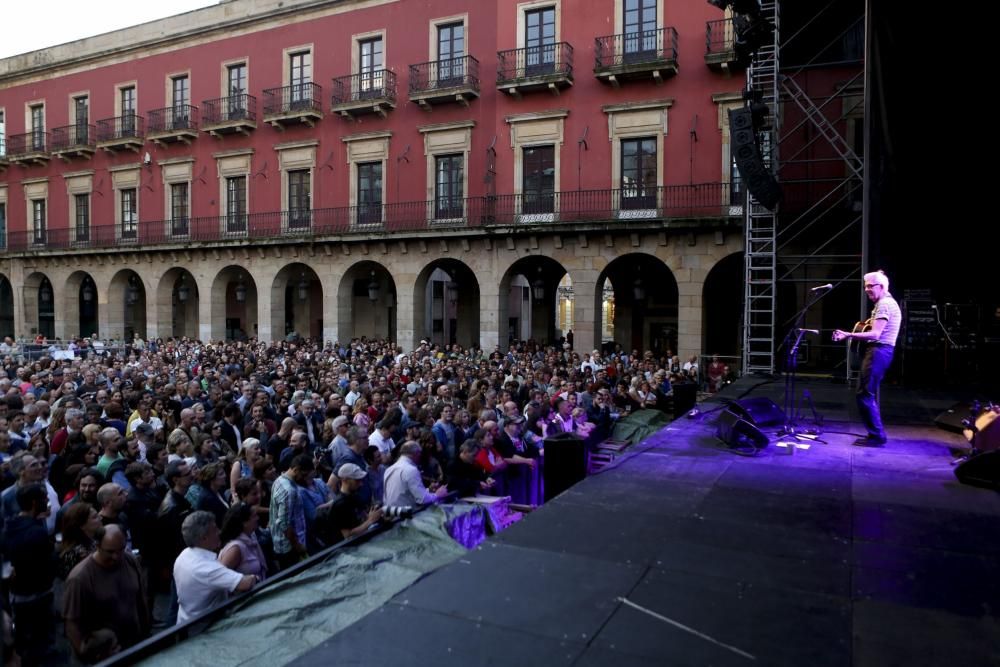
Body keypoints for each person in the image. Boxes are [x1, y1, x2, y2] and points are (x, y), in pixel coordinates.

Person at [63, 524, 150, 663]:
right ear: (97, 546)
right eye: (110, 551)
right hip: (105, 655)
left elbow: (141, 598)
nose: (116, 556)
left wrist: (146, 633)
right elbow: (72, 624)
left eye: (120, 550)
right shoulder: (79, 578)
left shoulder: (130, 561)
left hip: (134, 646)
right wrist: (87, 655)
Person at [833, 270, 901, 446]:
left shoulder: (885, 304)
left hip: (879, 351)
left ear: (882, 286)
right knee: (866, 393)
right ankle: (875, 434)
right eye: (865, 286)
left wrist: (848, 334)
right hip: (880, 351)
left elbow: (876, 334)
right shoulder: (884, 303)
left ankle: (877, 435)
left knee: (864, 394)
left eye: (871, 286)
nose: (867, 289)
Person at [173, 511, 257, 624]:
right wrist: (254, 577)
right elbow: (244, 583)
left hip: (186, 622)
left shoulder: (183, 555)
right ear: (203, 538)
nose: (219, 532)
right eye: (215, 529)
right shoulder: (207, 569)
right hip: (204, 630)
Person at [315, 463, 382, 547]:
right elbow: (347, 535)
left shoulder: (356, 496)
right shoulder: (340, 505)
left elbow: (362, 519)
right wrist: (370, 521)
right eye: (357, 480)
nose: (361, 484)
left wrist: (376, 515)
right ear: (345, 480)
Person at [383, 441, 449, 507]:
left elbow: (404, 493)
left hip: (391, 512)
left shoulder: (388, 470)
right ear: (415, 453)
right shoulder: (411, 470)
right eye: (419, 453)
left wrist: (428, 490)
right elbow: (423, 499)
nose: (420, 456)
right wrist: (438, 495)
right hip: (406, 514)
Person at [217, 502, 268, 582]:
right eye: (254, 516)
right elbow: (220, 578)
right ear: (244, 523)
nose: (258, 518)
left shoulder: (251, 538)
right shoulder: (235, 549)